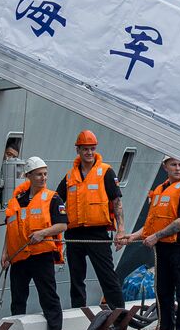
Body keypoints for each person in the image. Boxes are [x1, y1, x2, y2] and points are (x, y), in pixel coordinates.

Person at [120, 156, 180, 330]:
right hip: (163, 249)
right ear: (165, 167)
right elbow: (151, 225)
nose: (178, 168)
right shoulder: (160, 191)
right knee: (163, 294)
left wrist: (156, 237)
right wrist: (131, 237)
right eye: (173, 164)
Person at [53, 131, 127, 311]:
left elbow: (117, 202)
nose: (89, 153)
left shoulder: (106, 172)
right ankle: (78, 314)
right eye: (85, 149)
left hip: (98, 233)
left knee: (107, 276)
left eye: (92, 149)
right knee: (76, 279)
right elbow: (56, 200)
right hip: (74, 234)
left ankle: (120, 316)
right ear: (78, 150)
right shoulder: (70, 176)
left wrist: (121, 230)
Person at [3, 156, 68, 330]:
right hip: (19, 257)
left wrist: (43, 233)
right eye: (39, 174)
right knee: (18, 297)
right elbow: (10, 229)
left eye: (45, 174)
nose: (43, 178)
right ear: (29, 176)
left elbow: (62, 225)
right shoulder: (16, 201)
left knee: (48, 295)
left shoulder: (52, 198)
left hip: (41, 254)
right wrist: (5, 253)